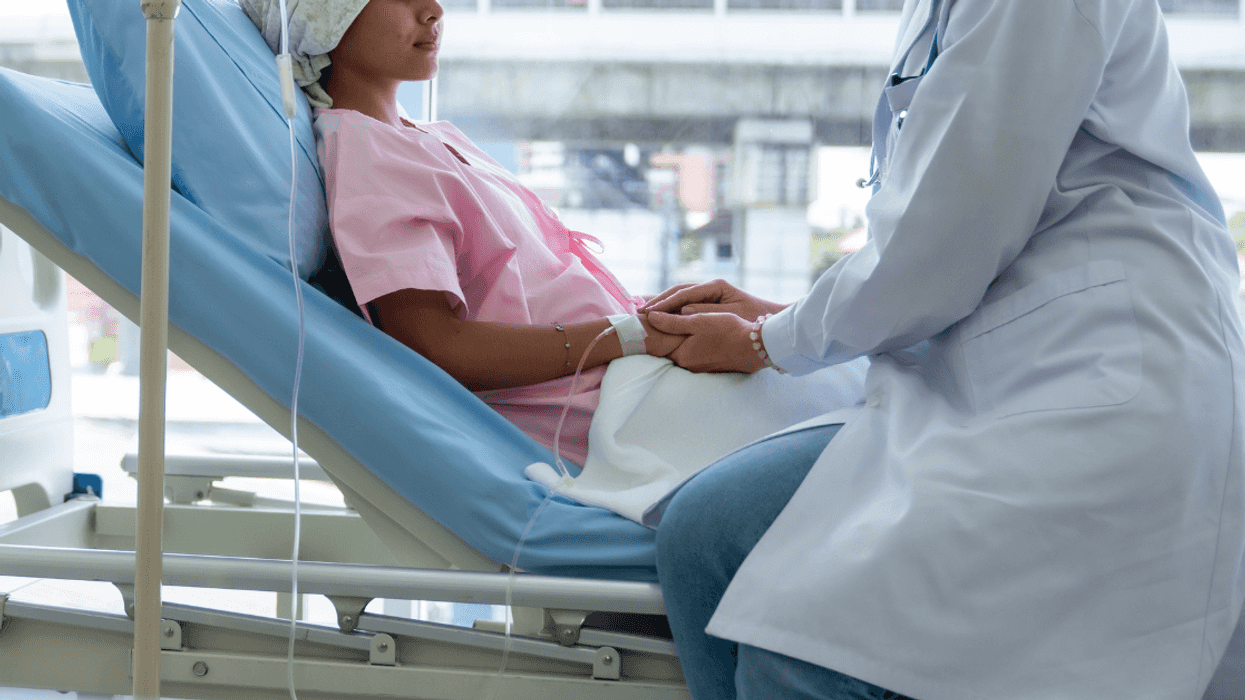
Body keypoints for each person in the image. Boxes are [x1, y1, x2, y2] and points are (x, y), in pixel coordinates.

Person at [641, 0, 1245, 698]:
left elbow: (946, 236)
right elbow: (945, 222)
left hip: (1099, 385)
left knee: (811, 652)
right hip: (1004, 362)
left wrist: (767, 341)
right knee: (704, 531)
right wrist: (790, 320)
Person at [242, 0, 684, 467]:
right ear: (320, 18)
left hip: (627, 381)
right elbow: (437, 346)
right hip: (601, 414)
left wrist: (648, 316)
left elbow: (528, 288)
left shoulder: (422, 136)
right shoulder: (371, 159)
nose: (433, 10)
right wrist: (629, 334)